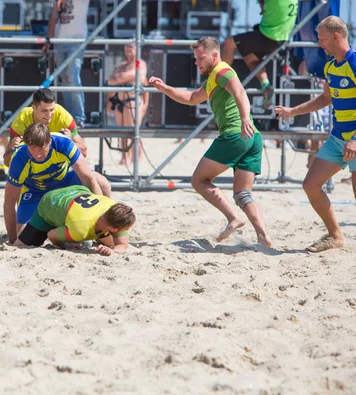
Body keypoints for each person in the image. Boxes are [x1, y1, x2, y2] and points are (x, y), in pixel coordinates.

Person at [149, 37, 272, 247]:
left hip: (235, 135)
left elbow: (240, 92)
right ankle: (263, 237)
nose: (197, 62)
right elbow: (191, 98)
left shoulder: (222, 71)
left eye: (200, 58)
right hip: (253, 138)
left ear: (214, 55)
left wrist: (243, 117)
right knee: (243, 194)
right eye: (195, 58)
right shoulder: (214, 78)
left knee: (198, 180)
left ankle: (233, 217)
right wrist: (165, 88)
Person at [275, 16, 354, 252]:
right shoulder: (330, 66)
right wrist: (292, 110)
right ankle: (335, 236)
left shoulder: (354, 62)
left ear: (336, 36)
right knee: (310, 184)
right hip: (339, 137)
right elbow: (325, 99)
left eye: (322, 39)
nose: (319, 44)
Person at [4, 122, 105, 244]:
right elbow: (9, 202)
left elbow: (88, 178)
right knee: (23, 240)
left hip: (65, 182)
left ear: (49, 141)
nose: (37, 154)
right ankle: (59, 232)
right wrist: (12, 240)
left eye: (41, 148)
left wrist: (99, 213)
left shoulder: (63, 143)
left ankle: (104, 227)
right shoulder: (19, 158)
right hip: (35, 191)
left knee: (101, 183)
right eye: (32, 149)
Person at [14, 185, 135, 256]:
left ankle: (94, 236)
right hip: (51, 202)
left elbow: (122, 245)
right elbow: (51, 235)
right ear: (114, 228)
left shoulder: (113, 208)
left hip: (78, 193)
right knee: (20, 245)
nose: (127, 230)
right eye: (126, 229)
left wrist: (113, 250)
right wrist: (66, 245)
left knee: (109, 242)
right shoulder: (80, 229)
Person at [221, 0, 298, 109]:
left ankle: (219, 80)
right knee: (250, 58)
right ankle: (266, 86)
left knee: (229, 43)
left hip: (269, 35)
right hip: (281, 37)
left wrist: (263, 6)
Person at [5, 88, 87, 166]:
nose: (49, 115)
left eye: (52, 110)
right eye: (44, 111)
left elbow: (84, 152)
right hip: (32, 172)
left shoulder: (63, 117)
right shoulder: (21, 120)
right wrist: (13, 149)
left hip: (59, 171)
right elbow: (7, 162)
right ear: (33, 107)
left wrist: (70, 142)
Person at [46, 0, 89, 127]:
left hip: (77, 40)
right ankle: (70, 117)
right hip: (60, 40)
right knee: (64, 79)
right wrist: (49, 39)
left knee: (72, 76)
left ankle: (79, 117)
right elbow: (53, 18)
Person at [107, 43, 149, 164]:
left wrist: (146, 104)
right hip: (119, 100)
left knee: (133, 131)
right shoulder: (122, 65)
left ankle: (137, 157)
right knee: (122, 131)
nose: (128, 49)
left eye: (131, 46)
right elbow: (111, 81)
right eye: (126, 46)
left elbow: (141, 80)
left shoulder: (140, 64)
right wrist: (109, 100)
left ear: (137, 48)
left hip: (133, 100)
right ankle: (124, 157)